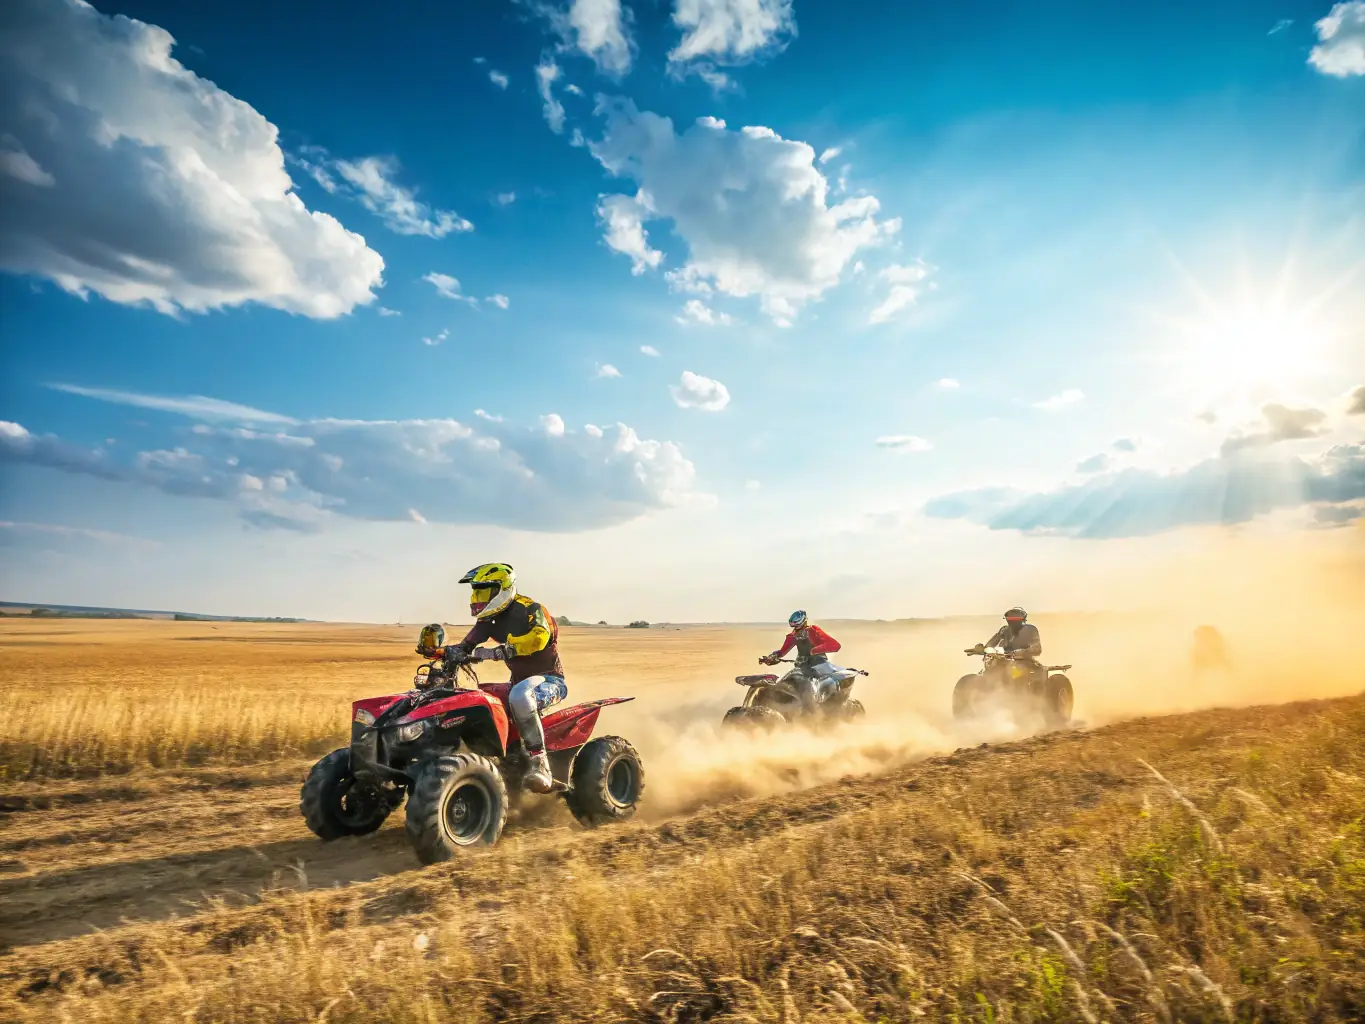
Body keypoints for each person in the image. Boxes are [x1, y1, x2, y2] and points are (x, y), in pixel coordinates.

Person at [418, 563, 566, 793]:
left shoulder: (531, 609)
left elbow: (539, 638)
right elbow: (465, 646)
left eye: (484, 592)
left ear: (503, 589)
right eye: (476, 592)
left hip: (549, 680)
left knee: (520, 696)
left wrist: (501, 651)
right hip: (517, 682)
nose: (477, 598)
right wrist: (440, 652)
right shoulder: (488, 620)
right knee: (479, 697)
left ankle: (540, 765)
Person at [760, 610, 843, 714]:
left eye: (797, 626)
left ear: (803, 622)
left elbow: (835, 645)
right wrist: (771, 657)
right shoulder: (793, 636)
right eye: (794, 626)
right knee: (786, 681)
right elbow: (782, 652)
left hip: (819, 664)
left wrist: (815, 650)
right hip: (802, 667)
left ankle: (814, 711)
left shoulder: (813, 630)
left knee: (812, 686)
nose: (796, 630)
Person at [977, 607, 1043, 678]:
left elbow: (1037, 648)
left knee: (1019, 676)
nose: (1013, 622)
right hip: (1002, 659)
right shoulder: (1004, 630)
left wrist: (1023, 652)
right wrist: (983, 648)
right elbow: (992, 642)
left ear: (1023, 619)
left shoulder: (1031, 629)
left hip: (1023, 661)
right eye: (1011, 619)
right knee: (986, 672)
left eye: (1016, 619)